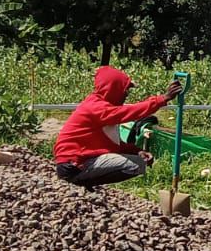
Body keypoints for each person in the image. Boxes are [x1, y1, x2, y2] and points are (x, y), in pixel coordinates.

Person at [54, 67, 182, 187]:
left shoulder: (101, 107)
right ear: (113, 89)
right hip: (73, 165)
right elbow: (129, 112)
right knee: (135, 164)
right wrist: (163, 99)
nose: (126, 94)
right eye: (124, 90)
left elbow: (113, 144)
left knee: (137, 160)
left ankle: (81, 183)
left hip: (74, 162)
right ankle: (79, 183)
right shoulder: (96, 108)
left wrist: (136, 150)